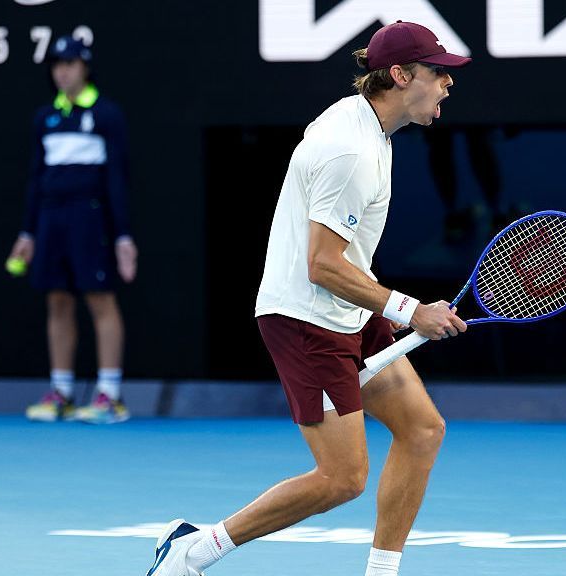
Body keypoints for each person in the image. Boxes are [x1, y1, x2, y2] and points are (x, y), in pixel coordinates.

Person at [145, 20, 470, 576]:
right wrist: (410, 310)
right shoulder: (351, 150)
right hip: (306, 321)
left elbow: (339, 257)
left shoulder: (368, 128)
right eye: (437, 72)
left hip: (346, 308)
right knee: (342, 478)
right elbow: (321, 265)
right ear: (399, 75)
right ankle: (191, 551)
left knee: (422, 430)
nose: (448, 83)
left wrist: (378, 306)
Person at [7, 35, 138, 425]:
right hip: (51, 218)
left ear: (85, 67)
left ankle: (109, 395)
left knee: (100, 300)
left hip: (90, 218)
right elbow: (36, 179)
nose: (61, 71)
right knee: (57, 301)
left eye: (69, 63)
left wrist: (123, 236)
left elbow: (117, 178)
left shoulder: (106, 114)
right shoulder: (45, 117)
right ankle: (61, 392)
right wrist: (27, 233)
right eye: (56, 65)